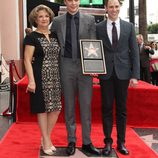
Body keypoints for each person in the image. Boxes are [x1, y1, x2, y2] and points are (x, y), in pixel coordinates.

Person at [51, 0, 100, 156]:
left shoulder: (90, 20)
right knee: (69, 106)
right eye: (70, 0)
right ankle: (71, 140)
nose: (73, 3)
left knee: (85, 105)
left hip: (84, 67)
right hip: (65, 66)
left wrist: (93, 67)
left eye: (76, 0)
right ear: (65, 2)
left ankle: (87, 142)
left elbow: (93, 44)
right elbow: (53, 43)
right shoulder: (57, 21)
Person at [96, 0, 140, 156]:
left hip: (123, 74)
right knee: (106, 108)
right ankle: (108, 142)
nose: (113, 9)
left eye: (116, 6)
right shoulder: (98, 27)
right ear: (106, 8)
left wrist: (135, 75)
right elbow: (94, 49)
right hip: (105, 73)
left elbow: (134, 52)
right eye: (111, 6)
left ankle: (121, 142)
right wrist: (93, 68)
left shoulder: (129, 27)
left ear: (119, 7)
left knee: (122, 109)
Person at [24, 5, 62, 155]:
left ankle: (45, 138)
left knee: (56, 109)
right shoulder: (31, 37)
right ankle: (46, 140)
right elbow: (27, 60)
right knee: (42, 109)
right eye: (40, 16)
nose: (44, 19)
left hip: (55, 76)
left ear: (50, 18)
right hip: (40, 76)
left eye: (46, 16)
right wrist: (31, 81)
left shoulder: (55, 35)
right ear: (35, 19)